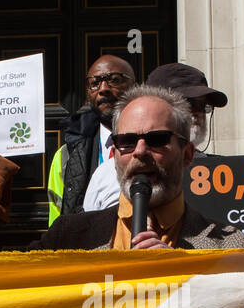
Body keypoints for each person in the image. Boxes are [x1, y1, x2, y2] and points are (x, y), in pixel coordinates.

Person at [0, 86, 244, 252]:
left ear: (188, 154)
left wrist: (183, 279)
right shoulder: (69, 237)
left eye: (156, 139)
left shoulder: (230, 246)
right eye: (126, 141)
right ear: (113, 153)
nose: (140, 152)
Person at [83, 62, 228, 213]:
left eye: (203, 106)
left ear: (188, 154)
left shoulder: (218, 172)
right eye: (187, 103)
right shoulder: (105, 176)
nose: (197, 113)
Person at [46, 55, 135, 225]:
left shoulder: (158, 145)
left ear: (136, 86)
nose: (103, 89)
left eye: (114, 80)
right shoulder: (65, 156)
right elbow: (57, 222)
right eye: (94, 83)